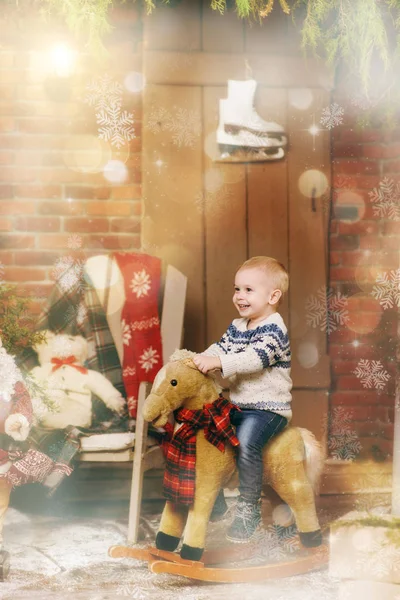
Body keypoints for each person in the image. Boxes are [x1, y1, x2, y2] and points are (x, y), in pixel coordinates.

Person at [193, 256, 292, 543]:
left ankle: (249, 508)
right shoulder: (238, 325)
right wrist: (197, 359)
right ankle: (216, 501)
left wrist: (218, 362)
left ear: (273, 296)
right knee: (206, 433)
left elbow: (255, 359)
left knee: (247, 443)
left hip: (267, 410)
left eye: (249, 290)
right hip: (237, 406)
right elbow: (219, 347)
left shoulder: (275, 328)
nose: (240, 296)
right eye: (237, 289)